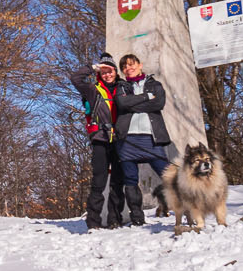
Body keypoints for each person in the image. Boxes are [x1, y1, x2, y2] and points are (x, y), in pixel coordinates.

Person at [68, 51, 126, 229]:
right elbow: (75, 78)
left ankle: (114, 219)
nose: (107, 74)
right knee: (99, 180)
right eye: (104, 71)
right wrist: (93, 67)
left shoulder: (124, 89)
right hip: (100, 139)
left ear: (116, 72)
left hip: (120, 139)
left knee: (118, 180)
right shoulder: (93, 90)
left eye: (110, 71)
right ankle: (93, 222)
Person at [113, 53, 172, 226]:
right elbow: (122, 104)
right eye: (124, 67)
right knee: (130, 179)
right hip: (127, 140)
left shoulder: (155, 84)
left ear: (140, 64)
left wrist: (132, 104)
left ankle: (185, 208)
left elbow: (158, 103)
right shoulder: (121, 86)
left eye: (131, 64)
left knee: (168, 174)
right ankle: (137, 217)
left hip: (150, 138)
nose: (128, 68)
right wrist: (146, 97)